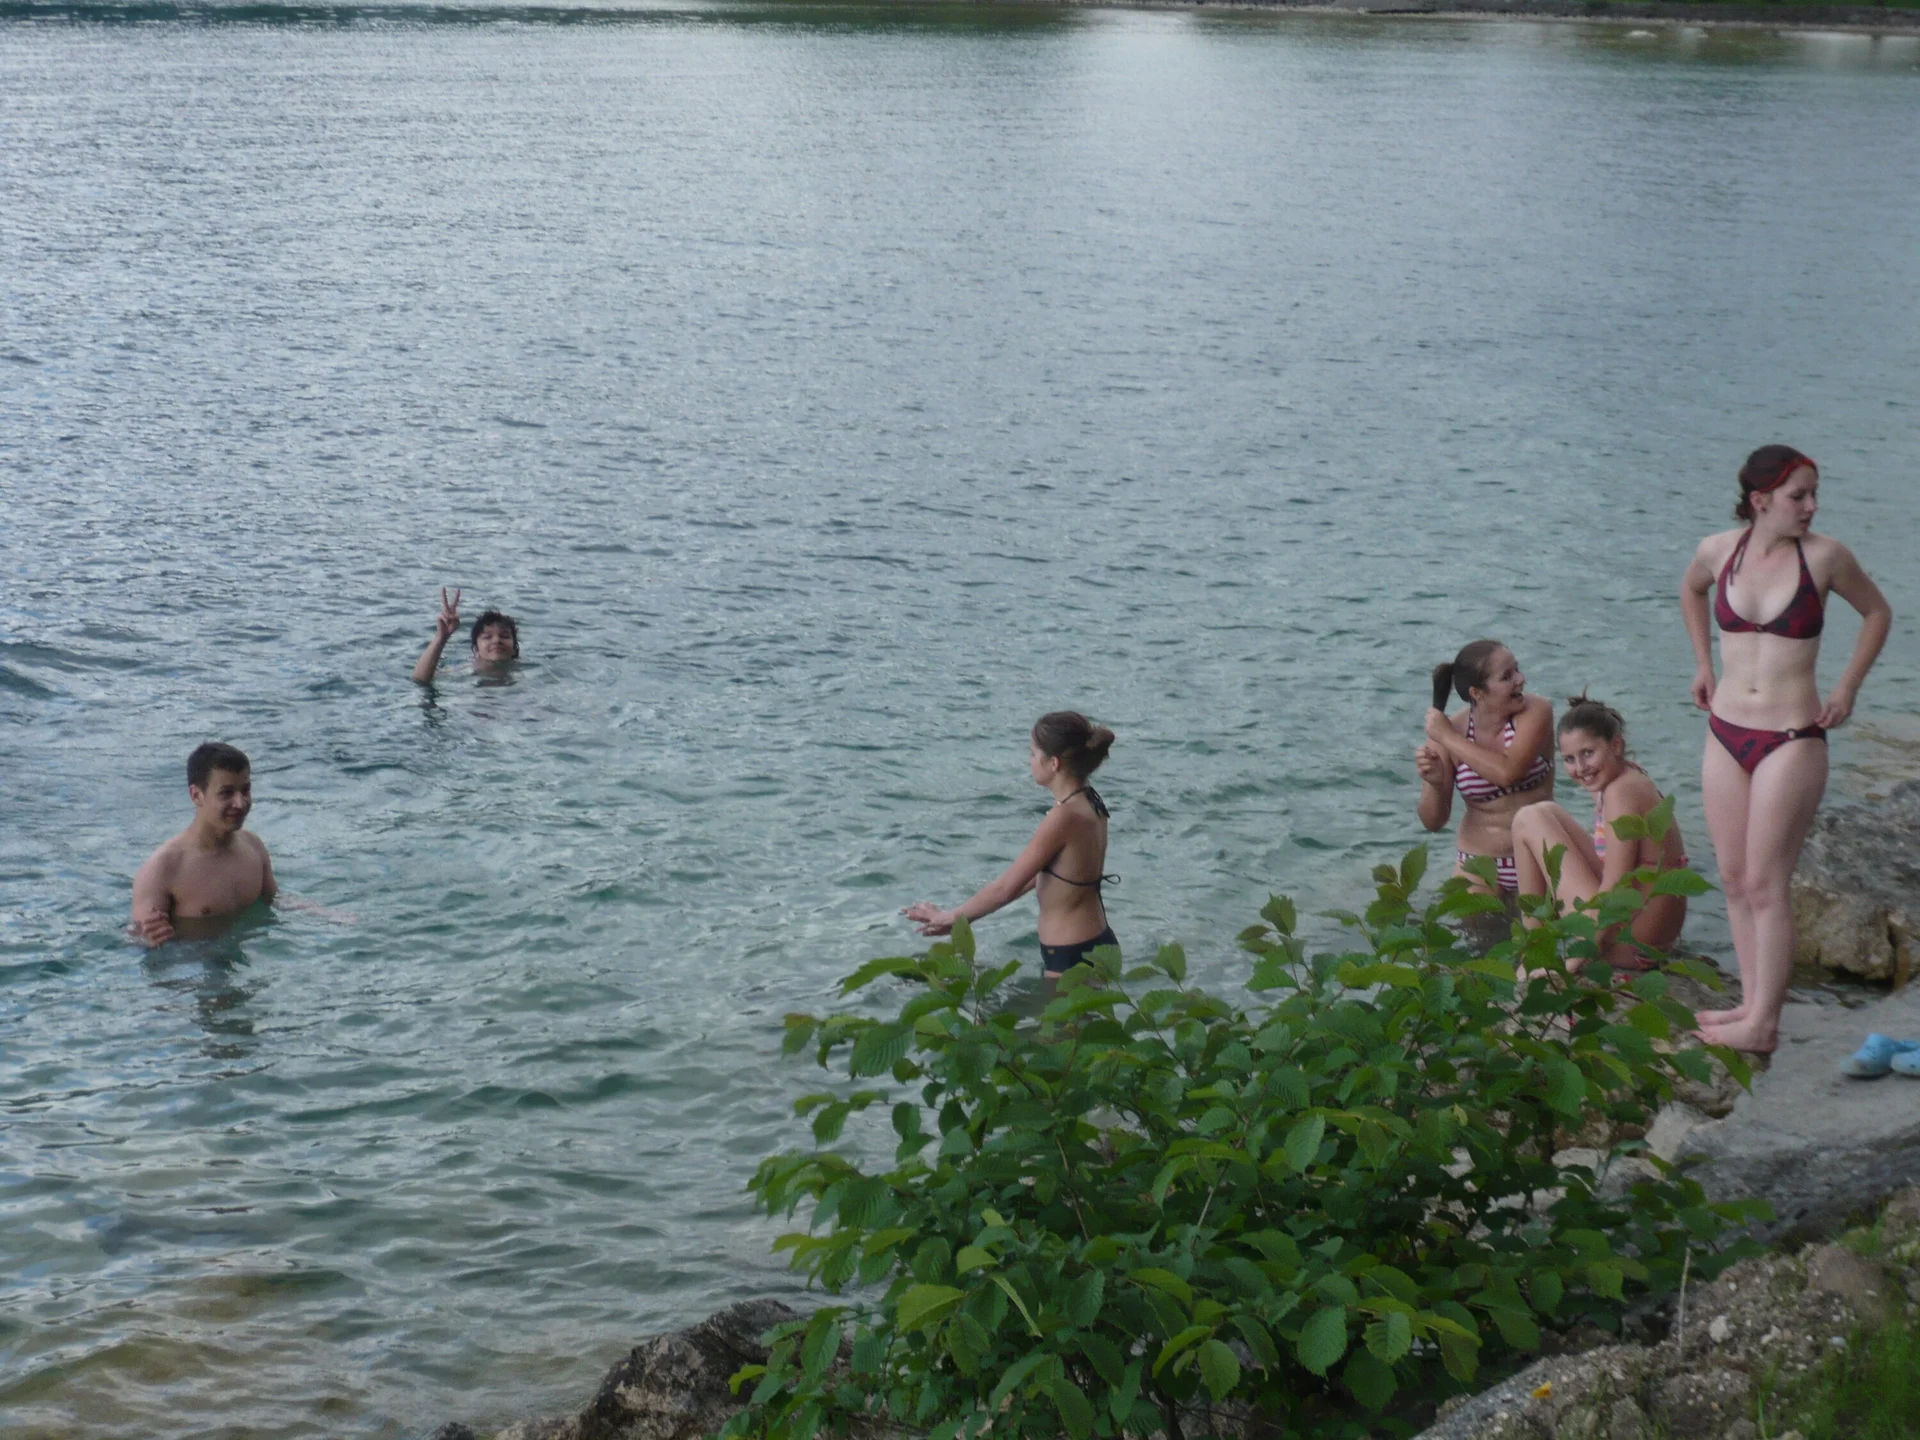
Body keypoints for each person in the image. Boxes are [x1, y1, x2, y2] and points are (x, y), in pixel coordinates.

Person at [1680, 445, 1891, 1053]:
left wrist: (1847, 686)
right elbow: (1692, 592)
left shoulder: (1825, 558)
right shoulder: (1718, 551)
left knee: (1768, 881)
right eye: (1799, 496)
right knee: (1733, 875)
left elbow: (1877, 612)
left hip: (1792, 736)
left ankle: (1763, 1026)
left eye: (1814, 494)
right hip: (1724, 730)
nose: (1811, 507)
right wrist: (1701, 662)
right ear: (1760, 500)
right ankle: (1750, 1003)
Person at [904, 712, 1118, 978]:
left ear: (1053, 763)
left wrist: (953, 918)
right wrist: (959, 918)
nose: (1029, 762)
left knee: (1061, 1021)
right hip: (1097, 941)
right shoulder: (1089, 800)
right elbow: (1047, 874)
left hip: (1071, 953)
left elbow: (1004, 889)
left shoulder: (1063, 817)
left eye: (1032, 753)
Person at [1511, 697, 1689, 972]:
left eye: (1588, 753)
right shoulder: (1628, 778)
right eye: (1569, 759)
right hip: (1649, 936)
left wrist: (1571, 966)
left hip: (1632, 947)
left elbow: (1614, 888)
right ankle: (1536, 947)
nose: (1580, 768)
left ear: (1615, 745)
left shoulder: (1620, 793)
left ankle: (1533, 952)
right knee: (1545, 811)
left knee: (1526, 819)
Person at [1416, 640, 1555, 895]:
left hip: (1540, 857)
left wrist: (1447, 738)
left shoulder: (1536, 711)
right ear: (1477, 693)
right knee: (1475, 933)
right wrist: (1436, 784)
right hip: (1478, 863)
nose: (1521, 679)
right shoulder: (1451, 729)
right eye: (1507, 676)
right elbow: (1433, 821)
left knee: (1542, 934)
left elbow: (1508, 772)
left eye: (1517, 669)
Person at [131, 742, 276, 946]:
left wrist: (327, 916)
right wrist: (143, 940)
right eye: (226, 793)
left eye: (245, 790)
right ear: (196, 795)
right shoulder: (164, 869)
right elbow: (139, 944)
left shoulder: (253, 847)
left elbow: (275, 902)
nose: (240, 803)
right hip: (191, 967)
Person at [412, 587, 520, 683]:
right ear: (476, 650)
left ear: (515, 648)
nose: (496, 640)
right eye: (487, 637)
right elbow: (420, 679)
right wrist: (441, 637)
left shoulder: (523, 672)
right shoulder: (465, 668)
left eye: (504, 636)